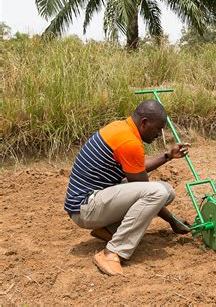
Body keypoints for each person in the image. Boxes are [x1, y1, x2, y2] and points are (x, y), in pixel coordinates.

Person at [64, 99, 190, 276]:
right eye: (158, 128)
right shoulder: (129, 142)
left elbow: (136, 167)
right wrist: (172, 220)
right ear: (144, 122)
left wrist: (168, 156)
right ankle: (112, 252)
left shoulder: (120, 128)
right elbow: (144, 188)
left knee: (166, 191)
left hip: (91, 200)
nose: (159, 134)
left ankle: (108, 230)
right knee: (159, 192)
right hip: (86, 208)